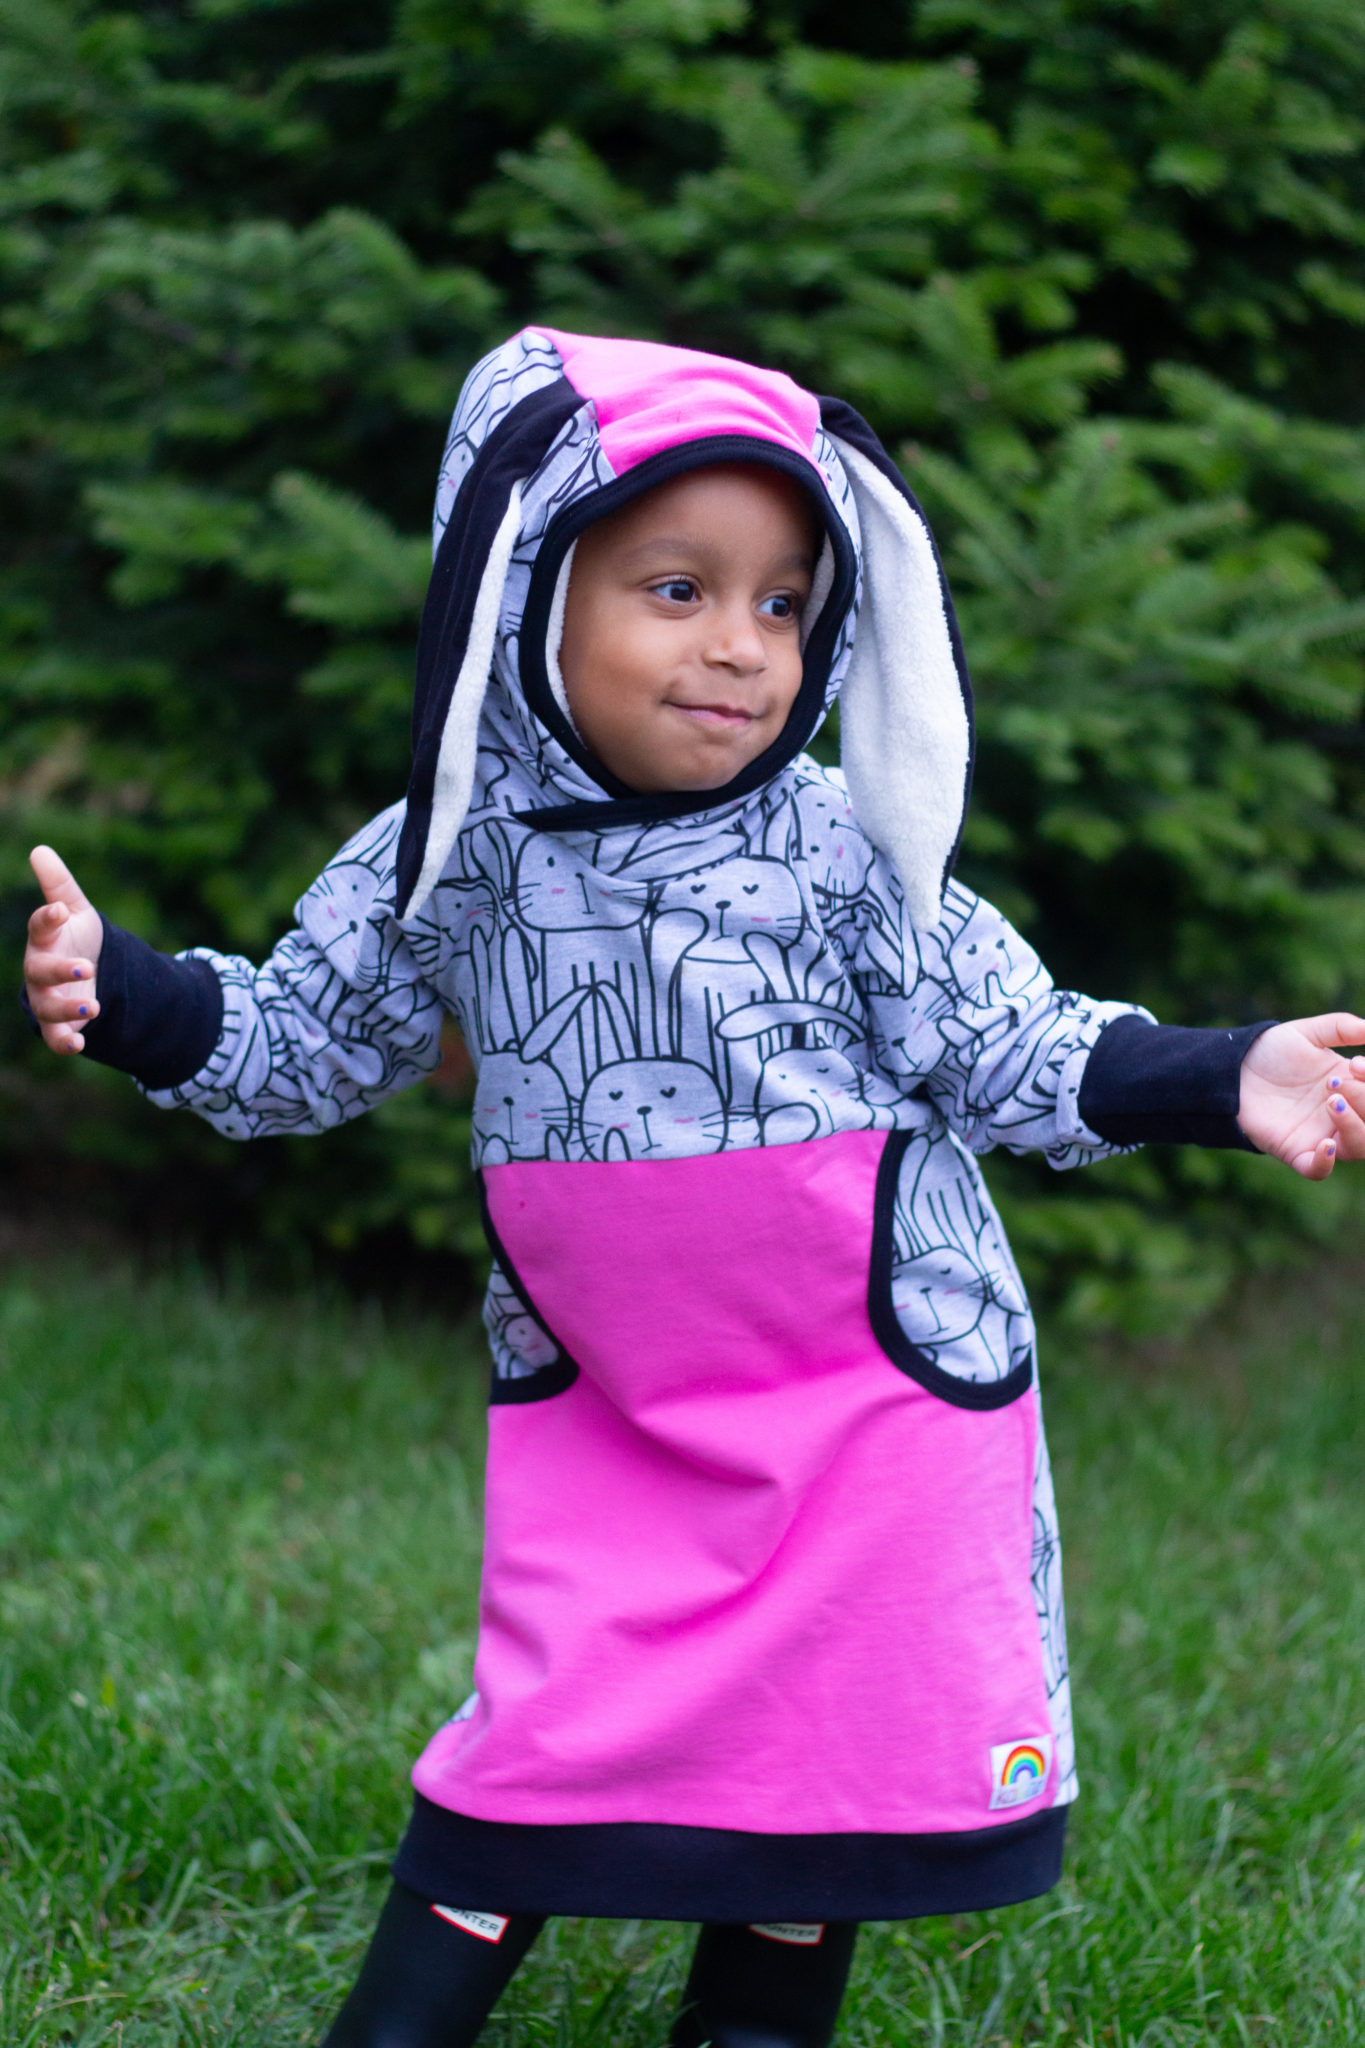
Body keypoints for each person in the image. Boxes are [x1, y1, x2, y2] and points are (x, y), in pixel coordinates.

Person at [22, 327, 1365, 2048]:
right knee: (525, 1761)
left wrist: (1218, 1070)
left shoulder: (841, 845)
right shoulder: (458, 839)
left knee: (827, 1775)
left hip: (870, 1404)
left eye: (785, 604)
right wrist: (127, 991)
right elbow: (309, 1042)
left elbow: (1007, 1045)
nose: (740, 647)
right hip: (622, 1412)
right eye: (676, 587)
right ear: (527, 588)